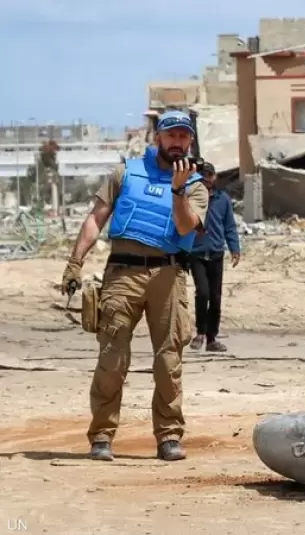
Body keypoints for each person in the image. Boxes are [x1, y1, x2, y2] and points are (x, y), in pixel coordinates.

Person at [60, 110, 208, 462]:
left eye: (183, 136)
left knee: (169, 360)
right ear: (158, 137)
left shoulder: (196, 185)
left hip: (168, 276)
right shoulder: (125, 172)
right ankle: (101, 436)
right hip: (122, 274)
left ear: (190, 141)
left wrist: (177, 190)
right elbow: (96, 218)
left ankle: (169, 437)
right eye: (171, 135)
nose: (177, 142)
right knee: (112, 357)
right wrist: (75, 262)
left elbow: (185, 226)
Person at [188, 161, 241, 353]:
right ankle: (200, 332)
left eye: (209, 175)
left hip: (216, 253)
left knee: (216, 297)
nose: (206, 179)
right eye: (203, 175)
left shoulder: (222, 199)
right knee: (202, 293)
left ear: (214, 177)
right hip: (196, 253)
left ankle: (212, 339)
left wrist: (234, 248)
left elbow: (229, 226)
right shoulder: (190, 197)